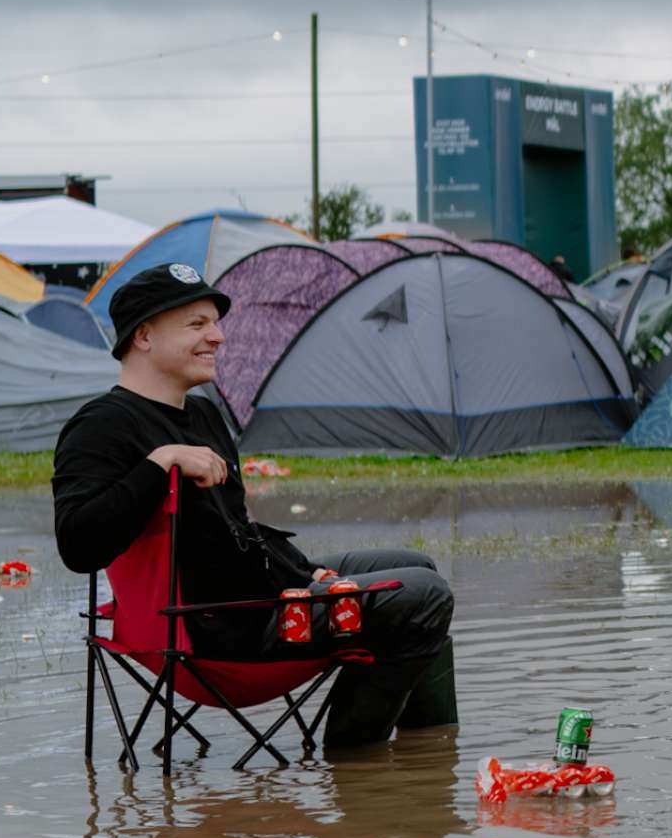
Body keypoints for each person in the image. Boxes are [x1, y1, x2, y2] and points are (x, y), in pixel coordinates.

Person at [54, 263, 457, 748]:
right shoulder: (101, 426)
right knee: (423, 595)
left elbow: (235, 530)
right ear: (143, 335)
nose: (218, 337)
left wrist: (305, 576)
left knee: (415, 567)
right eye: (198, 324)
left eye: (216, 323)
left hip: (259, 591)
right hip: (221, 628)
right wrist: (160, 464)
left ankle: (429, 759)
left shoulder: (203, 413)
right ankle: (358, 768)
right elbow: (77, 544)